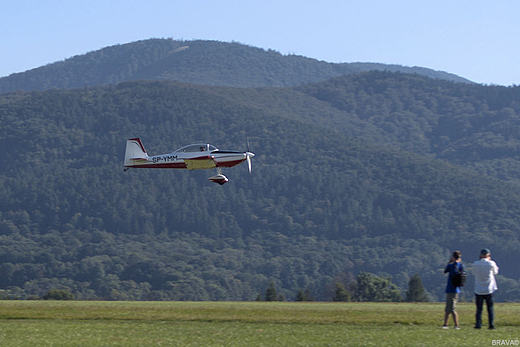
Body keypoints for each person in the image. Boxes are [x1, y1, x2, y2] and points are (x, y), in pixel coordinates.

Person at [473, 248, 499, 329]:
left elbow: (474, 273)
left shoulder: (475, 263)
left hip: (478, 288)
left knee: (479, 309)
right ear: (488, 255)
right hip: (489, 288)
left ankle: (478, 324)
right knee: (490, 308)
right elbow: (496, 272)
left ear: (480, 255)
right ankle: (491, 324)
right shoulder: (491, 263)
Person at [442, 251, 464, 329]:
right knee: (449, 308)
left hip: (450, 289)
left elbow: (445, 271)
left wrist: (450, 261)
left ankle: (456, 325)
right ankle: (445, 324)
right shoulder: (461, 265)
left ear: (453, 257)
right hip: (457, 289)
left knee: (451, 308)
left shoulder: (451, 266)